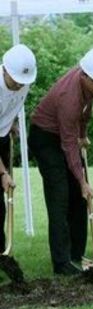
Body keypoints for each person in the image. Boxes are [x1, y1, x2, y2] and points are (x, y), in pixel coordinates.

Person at [28, 48, 93, 275]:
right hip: (45, 137)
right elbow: (68, 144)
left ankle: (76, 253)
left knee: (79, 196)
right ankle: (62, 262)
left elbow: (86, 113)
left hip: (66, 134)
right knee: (60, 196)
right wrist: (82, 180)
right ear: (84, 76)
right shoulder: (69, 98)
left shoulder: (90, 84)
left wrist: (83, 132)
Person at [0, 44, 37, 254]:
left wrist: (10, 123)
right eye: (16, 81)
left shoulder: (23, 82)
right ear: (5, 69)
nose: (20, 86)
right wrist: (3, 172)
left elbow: (13, 105)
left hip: (2, 137)